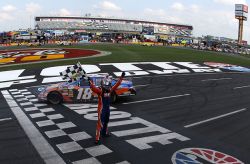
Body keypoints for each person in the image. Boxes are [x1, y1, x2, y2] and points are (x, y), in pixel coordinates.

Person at [88, 72, 125, 144]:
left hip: (107, 108)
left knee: (106, 121)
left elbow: (117, 84)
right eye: (106, 84)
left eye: (108, 84)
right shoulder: (100, 90)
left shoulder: (110, 89)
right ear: (103, 84)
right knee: (100, 123)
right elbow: (93, 88)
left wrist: (121, 77)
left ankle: (104, 132)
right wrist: (90, 82)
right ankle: (97, 138)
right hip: (101, 109)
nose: (107, 86)